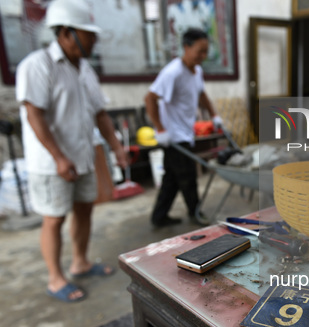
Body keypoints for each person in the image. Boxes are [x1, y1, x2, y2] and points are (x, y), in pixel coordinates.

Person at [15, 0, 128, 302]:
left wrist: (117, 148)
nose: (93, 40)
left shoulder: (85, 70)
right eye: (87, 33)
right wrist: (59, 157)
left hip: (82, 156)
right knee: (54, 218)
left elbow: (100, 114)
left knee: (84, 209)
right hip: (52, 163)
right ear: (65, 32)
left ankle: (80, 262)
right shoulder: (38, 65)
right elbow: (34, 114)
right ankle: (55, 278)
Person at [144, 28, 222, 227]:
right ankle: (196, 213)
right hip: (173, 136)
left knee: (171, 179)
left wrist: (214, 116)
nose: (203, 56)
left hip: (186, 132)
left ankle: (159, 216)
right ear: (186, 47)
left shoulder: (197, 71)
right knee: (187, 177)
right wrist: (161, 129)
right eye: (200, 51)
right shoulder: (173, 72)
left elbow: (201, 94)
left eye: (206, 51)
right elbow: (150, 98)